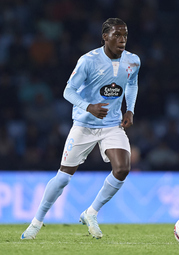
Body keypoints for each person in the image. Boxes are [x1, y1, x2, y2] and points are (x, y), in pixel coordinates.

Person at [21, 18, 140, 239]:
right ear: (105, 36)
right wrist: (89, 107)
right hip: (84, 124)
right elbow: (68, 91)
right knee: (64, 177)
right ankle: (36, 222)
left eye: (125, 35)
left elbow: (132, 83)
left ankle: (91, 213)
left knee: (122, 169)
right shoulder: (88, 61)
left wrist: (130, 110)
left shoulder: (133, 60)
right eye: (117, 35)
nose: (122, 40)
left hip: (112, 125)